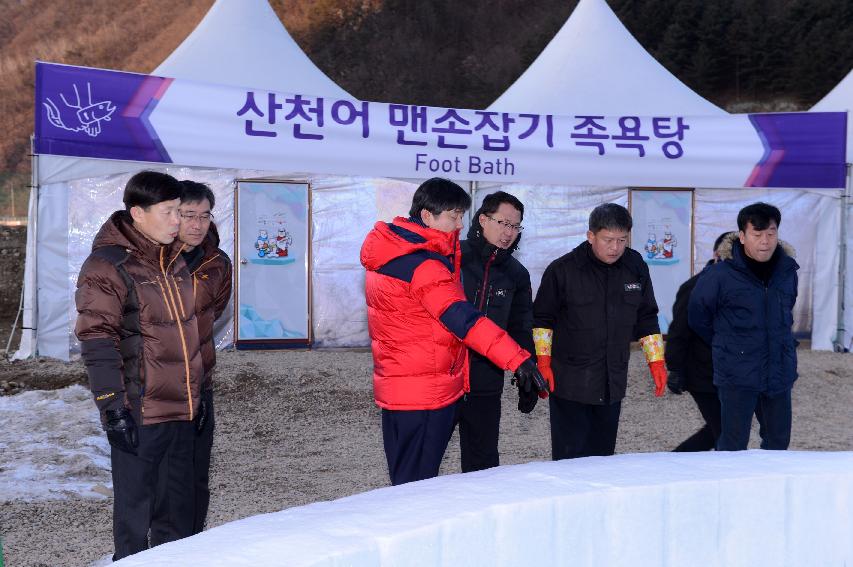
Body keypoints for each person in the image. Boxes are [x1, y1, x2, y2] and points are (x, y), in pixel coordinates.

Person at [360, 178, 547, 485]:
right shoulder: (426, 264)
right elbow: (462, 318)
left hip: (405, 385)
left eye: (462, 216)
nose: (460, 224)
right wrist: (518, 359)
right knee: (416, 485)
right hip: (426, 389)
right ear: (427, 216)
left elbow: (518, 322)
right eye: (453, 216)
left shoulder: (394, 253)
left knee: (411, 479)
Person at [75, 171, 204, 560]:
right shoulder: (107, 266)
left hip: (180, 410)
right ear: (138, 213)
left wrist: (195, 397)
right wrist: (112, 406)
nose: (177, 222)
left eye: (179, 213)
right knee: (135, 517)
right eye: (168, 212)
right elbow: (98, 339)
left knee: (176, 515)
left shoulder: (174, 262)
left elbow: (184, 338)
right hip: (139, 409)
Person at [532, 203, 667, 460]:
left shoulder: (635, 266)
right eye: (608, 240)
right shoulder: (563, 270)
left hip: (612, 382)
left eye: (622, 240)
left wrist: (657, 361)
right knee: (570, 459)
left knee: (603, 460)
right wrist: (543, 362)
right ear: (591, 236)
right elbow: (542, 319)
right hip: (570, 383)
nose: (615, 248)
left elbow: (646, 316)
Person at [151, 181, 232, 539]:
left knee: (198, 472)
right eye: (188, 216)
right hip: (160, 384)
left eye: (204, 216)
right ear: (171, 214)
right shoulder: (150, 258)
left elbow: (212, 313)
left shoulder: (217, 262)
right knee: (167, 475)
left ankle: (195, 546)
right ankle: (164, 549)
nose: (197, 225)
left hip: (200, 381)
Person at [689, 203, 799, 451]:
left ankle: (770, 488)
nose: (765, 241)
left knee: (778, 442)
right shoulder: (720, 276)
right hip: (737, 373)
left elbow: (787, 311)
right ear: (742, 236)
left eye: (770, 234)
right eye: (757, 234)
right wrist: (728, 344)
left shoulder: (787, 271)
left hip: (778, 372)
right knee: (733, 444)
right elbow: (698, 316)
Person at [457, 191, 536, 473]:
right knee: (428, 458)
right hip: (445, 376)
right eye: (503, 223)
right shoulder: (454, 256)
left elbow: (520, 327)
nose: (508, 233)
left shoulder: (517, 274)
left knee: (483, 463)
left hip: (486, 378)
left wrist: (527, 372)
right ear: (482, 220)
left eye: (515, 226)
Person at [665, 232, 731, 451]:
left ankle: (674, 462)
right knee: (724, 431)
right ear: (715, 255)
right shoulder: (694, 287)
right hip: (702, 374)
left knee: (721, 430)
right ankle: (673, 464)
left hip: (727, 372)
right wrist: (675, 369)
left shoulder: (739, 288)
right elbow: (678, 332)